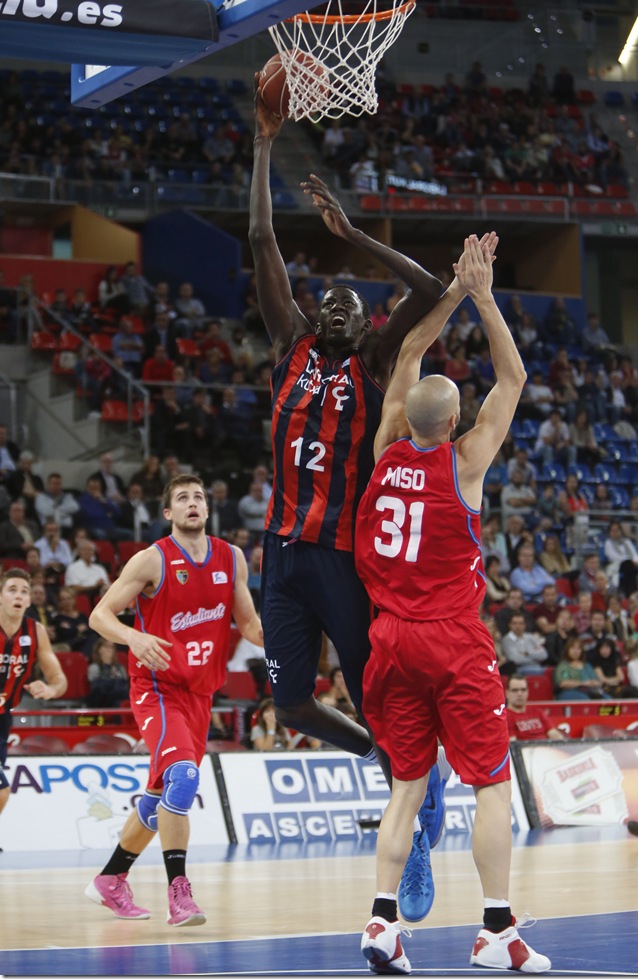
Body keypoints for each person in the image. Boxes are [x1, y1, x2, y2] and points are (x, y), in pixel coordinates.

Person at [249, 80, 449, 922]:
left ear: (366, 327)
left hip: (342, 556)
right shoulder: (290, 343)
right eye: (324, 296)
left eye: (349, 301)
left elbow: (434, 286)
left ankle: (416, 822)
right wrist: (264, 140)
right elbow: (260, 237)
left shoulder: (372, 366)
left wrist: (353, 233)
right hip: (281, 552)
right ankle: (383, 754)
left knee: (381, 694)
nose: (334, 300)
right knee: (289, 701)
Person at [355, 236, 550, 973]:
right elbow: (516, 374)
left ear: (410, 416)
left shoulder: (385, 448)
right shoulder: (464, 463)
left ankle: (380, 923)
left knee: (407, 787)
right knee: (492, 782)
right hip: (451, 638)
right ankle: (496, 930)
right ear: (457, 419)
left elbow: (407, 354)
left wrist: (447, 299)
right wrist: (483, 293)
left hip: (390, 641)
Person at [85, 474, 263, 927]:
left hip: (200, 694)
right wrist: (133, 637)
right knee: (183, 779)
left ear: (207, 508)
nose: (192, 503)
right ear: (168, 513)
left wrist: (299, 634)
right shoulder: (152, 560)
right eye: (182, 498)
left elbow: (250, 627)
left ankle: (110, 880)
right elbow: (99, 615)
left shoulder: (231, 558)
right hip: (156, 689)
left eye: (199, 497)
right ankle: (179, 893)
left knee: (160, 796)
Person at [0, 568, 67, 834]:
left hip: (4, 718)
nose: (19, 595)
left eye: (24, 592)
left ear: (29, 601)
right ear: (1, 596)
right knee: (2, 790)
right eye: (12, 590)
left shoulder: (35, 631)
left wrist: (51, 690)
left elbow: (60, 679)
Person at [505, 676, 565, 741]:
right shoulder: (505, 717)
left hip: (547, 749)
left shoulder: (538, 712)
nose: (519, 694)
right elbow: (513, 744)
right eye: (515, 690)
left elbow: (554, 734)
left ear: (528, 692)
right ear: (507, 693)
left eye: (523, 690)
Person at [87, 638, 129, 708]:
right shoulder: (94, 667)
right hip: (102, 699)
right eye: (106, 646)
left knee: (119, 702)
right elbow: (96, 689)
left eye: (112, 647)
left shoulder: (120, 668)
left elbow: (124, 684)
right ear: (99, 650)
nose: (109, 649)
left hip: (118, 698)